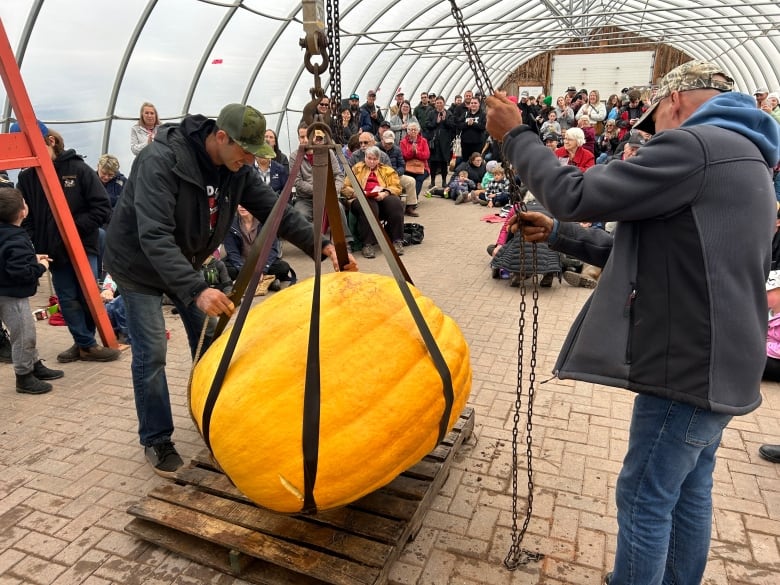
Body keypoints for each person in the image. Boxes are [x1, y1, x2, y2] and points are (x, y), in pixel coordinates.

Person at [486, 60, 780, 585]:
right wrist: (560, 235)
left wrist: (517, 138)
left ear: (673, 102)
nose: (653, 135)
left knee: (644, 498)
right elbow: (656, 251)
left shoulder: (695, 146)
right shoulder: (748, 156)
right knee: (688, 491)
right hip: (725, 364)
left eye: (653, 122)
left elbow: (574, 192)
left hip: (687, 369)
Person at [104, 103, 355, 477]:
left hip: (185, 261)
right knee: (153, 351)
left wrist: (321, 245)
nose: (250, 159)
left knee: (212, 344)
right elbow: (153, 235)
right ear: (220, 137)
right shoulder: (161, 161)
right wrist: (195, 290)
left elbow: (276, 212)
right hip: (139, 266)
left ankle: (214, 419)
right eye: (246, 151)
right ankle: (156, 438)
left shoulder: (237, 168)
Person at [17, 130, 119, 364]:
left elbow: (102, 207)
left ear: (51, 141)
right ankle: (84, 343)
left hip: (82, 244)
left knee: (87, 294)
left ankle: (86, 343)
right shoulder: (27, 178)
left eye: (35, 148)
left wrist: (71, 228)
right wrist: (38, 239)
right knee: (66, 297)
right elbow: (26, 216)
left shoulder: (78, 170)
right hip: (52, 250)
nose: (32, 155)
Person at [0, 187, 64, 394]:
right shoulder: (16, 238)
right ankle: (24, 376)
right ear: (22, 212)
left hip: (6, 289)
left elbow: (7, 259)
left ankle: (34, 364)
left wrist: (31, 258)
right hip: (12, 295)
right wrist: (40, 267)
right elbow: (20, 272)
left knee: (26, 332)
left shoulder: (7, 235)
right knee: (24, 334)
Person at [341, 146, 405, 259]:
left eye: (374, 159)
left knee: (395, 203)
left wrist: (385, 193)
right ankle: (368, 244)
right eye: (369, 158)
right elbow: (345, 187)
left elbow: (397, 186)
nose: (371, 161)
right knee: (369, 205)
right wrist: (360, 193)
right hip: (360, 198)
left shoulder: (387, 170)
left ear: (379, 159)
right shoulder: (357, 168)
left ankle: (397, 240)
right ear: (365, 157)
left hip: (381, 196)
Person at [399, 122, 430, 196]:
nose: (413, 131)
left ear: (418, 131)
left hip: (422, 167)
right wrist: (411, 152)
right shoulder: (403, 142)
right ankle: (408, 197)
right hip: (408, 166)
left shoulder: (423, 141)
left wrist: (416, 152)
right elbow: (404, 156)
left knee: (419, 178)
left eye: (415, 130)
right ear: (408, 131)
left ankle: (413, 199)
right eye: (411, 130)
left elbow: (426, 155)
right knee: (408, 178)